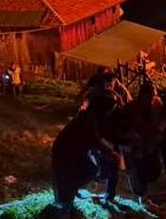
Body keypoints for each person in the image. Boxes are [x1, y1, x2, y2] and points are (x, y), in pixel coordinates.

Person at [51, 77, 122, 211]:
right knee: (76, 177)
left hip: (72, 153)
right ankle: (65, 200)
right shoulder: (88, 121)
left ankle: (67, 197)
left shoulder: (90, 118)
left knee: (90, 169)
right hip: (65, 154)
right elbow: (94, 139)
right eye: (109, 111)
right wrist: (111, 153)